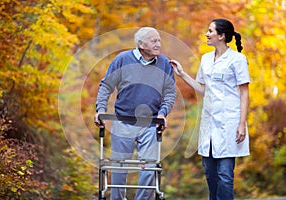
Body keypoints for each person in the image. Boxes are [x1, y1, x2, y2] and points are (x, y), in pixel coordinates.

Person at [171, 19, 250, 200]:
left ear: (221, 36)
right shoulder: (206, 60)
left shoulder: (237, 60)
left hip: (229, 123)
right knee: (210, 174)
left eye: (210, 31)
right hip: (209, 124)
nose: (206, 34)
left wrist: (241, 124)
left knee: (225, 176)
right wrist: (182, 74)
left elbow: (244, 93)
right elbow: (202, 89)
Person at [94, 27, 176, 200]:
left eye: (159, 40)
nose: (158, 44)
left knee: (149, 168)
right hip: (122, 121)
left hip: (151, 123)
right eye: (154, 41)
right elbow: (106, 86)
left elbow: (169, 93)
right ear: (140, 43)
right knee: (119, 168)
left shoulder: (164, 63)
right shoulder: (122, 59)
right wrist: (100, 110)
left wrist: (163, 113)